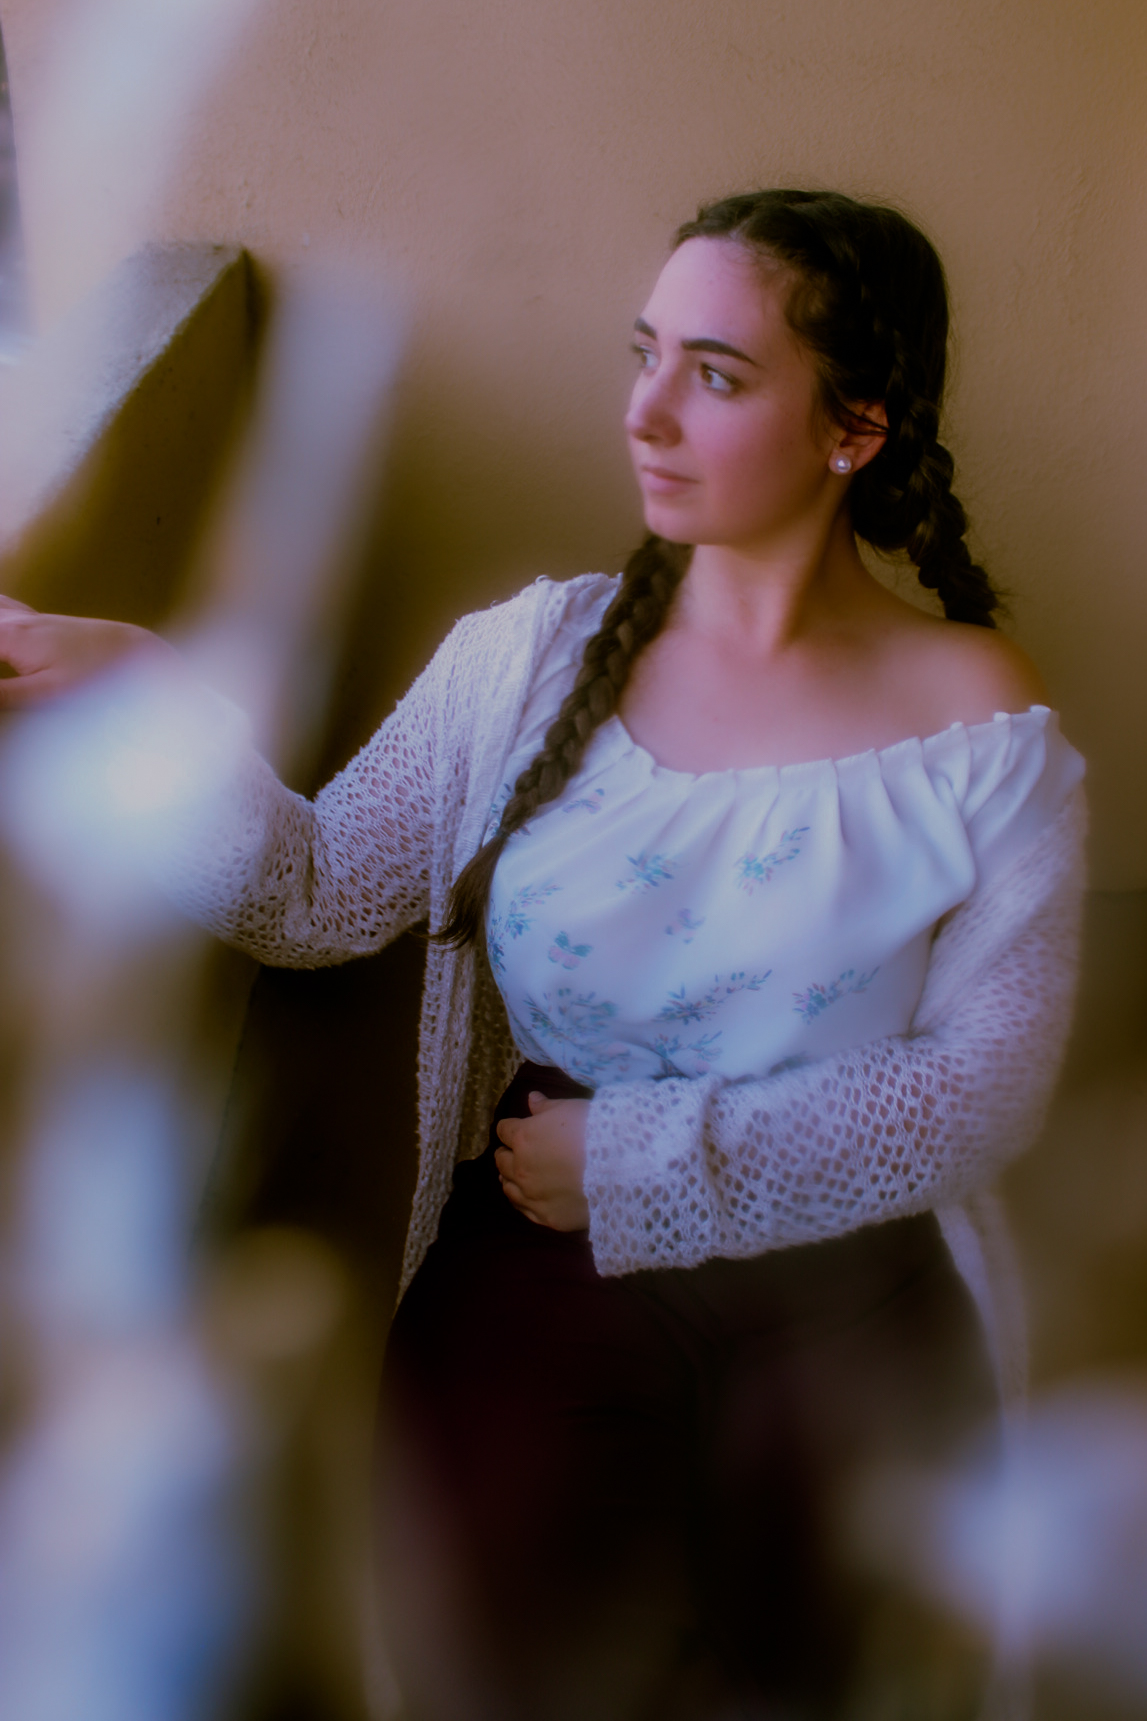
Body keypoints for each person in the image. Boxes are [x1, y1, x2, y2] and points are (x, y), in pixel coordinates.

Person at [0, 189, 1086, 1719]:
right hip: (539, 1275)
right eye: (645, 354)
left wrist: (639, 1161)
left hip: (849, 1300)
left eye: (717, 374)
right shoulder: (528, 661)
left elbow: (986, 1088)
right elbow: (314, 892)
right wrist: (148, 696)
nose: (646, 411)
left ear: (856, 428)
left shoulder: (974, 717)